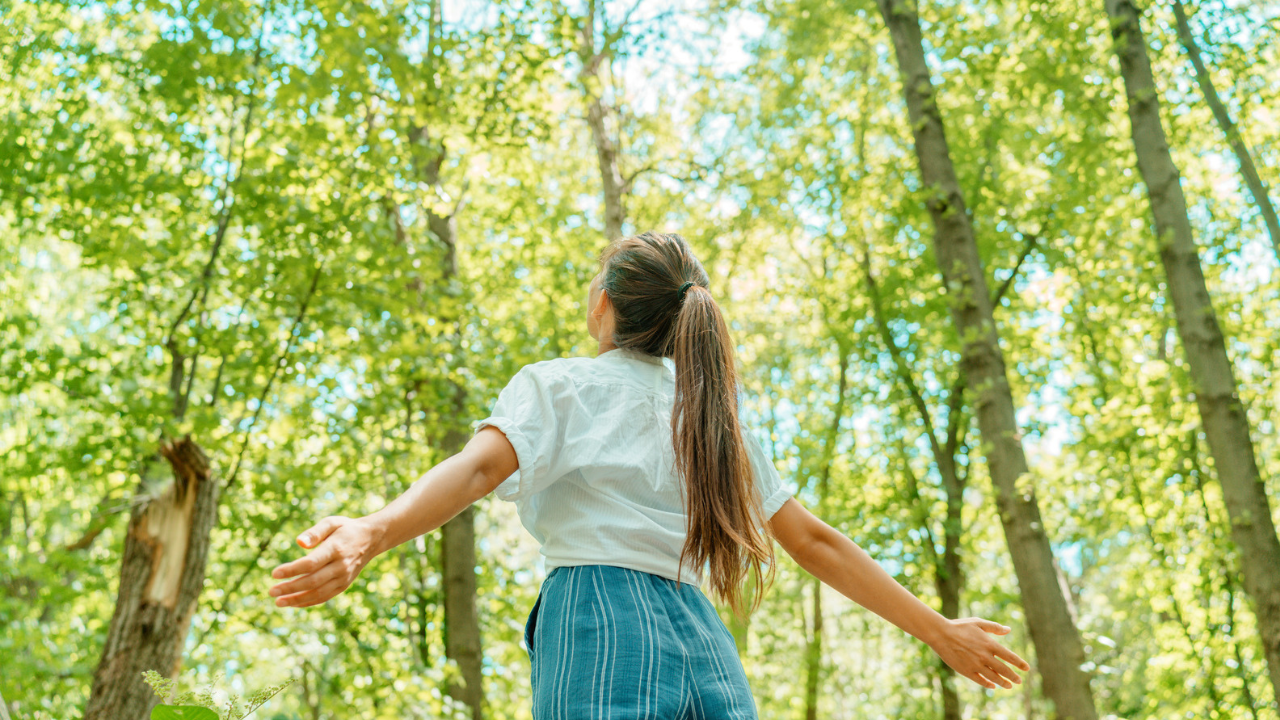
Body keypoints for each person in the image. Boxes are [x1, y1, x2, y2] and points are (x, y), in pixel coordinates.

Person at [267, 231, 1030, 718]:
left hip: (597, 616)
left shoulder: (563, 383)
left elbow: (473, 473)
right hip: (701, 636)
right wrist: (939, 631)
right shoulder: (714, 419)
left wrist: (373, 529)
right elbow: (816, 542)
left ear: (604, 305)